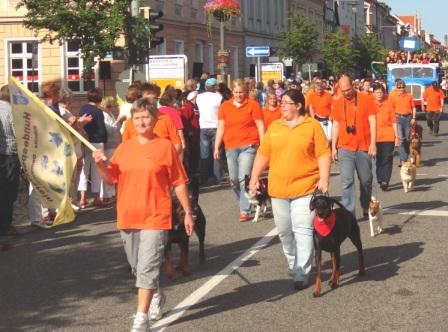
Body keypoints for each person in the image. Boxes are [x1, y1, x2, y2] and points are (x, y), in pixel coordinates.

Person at [92, 98, 194, 332]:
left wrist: (187, 212)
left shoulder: (165, 146)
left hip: (156, 216)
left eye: (145, 117)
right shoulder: (124, 148)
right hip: (128, 215)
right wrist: (100, 165)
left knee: (147, 266)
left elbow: (178, 182)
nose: (141, 121)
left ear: (154, 119)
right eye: (136, 117)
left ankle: (141, 317)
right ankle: (156, 293)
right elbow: (111, 178)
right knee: (137, 267)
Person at [249, 89, 331, 290]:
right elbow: (263, 154)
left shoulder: (312, 126)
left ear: (298, 105)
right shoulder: (275, 126)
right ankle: (293, 262)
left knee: (302, 229)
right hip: (278, 189)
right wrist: (254, 176)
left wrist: (324, 178)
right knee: (285, 232)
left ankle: (302, 271)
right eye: (280, 102)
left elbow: (323, 153)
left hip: (305, 186)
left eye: (286, 102)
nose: (281, 106)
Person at [214, 79, 265, 222]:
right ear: (232, 92)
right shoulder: (225, 106)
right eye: (236, 92)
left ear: (246, 92)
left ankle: (244, 209)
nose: (238, 95)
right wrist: (216, 146)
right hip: (230, 146)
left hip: (249, 145)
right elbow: (221, 127)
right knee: (233, 180)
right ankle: (244, 201)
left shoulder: (253, 105)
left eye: (241, 92)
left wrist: (263, 144)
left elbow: (260, 126)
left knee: (243, 179)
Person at [331, 75, 376, 217]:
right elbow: (336, 125)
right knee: (346, 182)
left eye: (348, 89)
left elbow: (373, 121)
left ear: (354, 85)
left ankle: (365, 205)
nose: (346, 93)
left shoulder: (366, 98)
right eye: (343, 90)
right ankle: (349, 214)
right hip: (345, 147)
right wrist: (333, 147)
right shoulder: (338, 102)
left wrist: (373, 144)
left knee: (366, 180)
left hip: (363, 146)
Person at [78, 88, 107, 208]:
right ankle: (96, 198)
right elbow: (101, 130)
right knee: (96, 172)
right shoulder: (98, 112)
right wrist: (104, 141)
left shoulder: (83, 109)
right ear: (99, 99)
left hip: (85, 142)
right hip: (96, 143)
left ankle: (82, 198)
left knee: (84, 170)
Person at [0, 85, 21, 236]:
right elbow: (17, 133)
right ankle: (5, 225)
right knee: (9, 192)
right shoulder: (11, 111)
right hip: (10, 155)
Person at [196, 78, 223, 185]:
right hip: (216, 126)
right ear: (215, 87)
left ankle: (204, 178)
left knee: (204, 153)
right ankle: (217, 177)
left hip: (203, 126)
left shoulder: (199, 97)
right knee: (217, 152)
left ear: (206, 87)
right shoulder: (218, 97)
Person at [372, 83, 398, 191]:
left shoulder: (389, 104)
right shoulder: (370, 105)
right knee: (378, 159)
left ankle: (385, 180)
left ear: (384, 93)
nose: (379, 94)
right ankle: (380, 177)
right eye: (377, 92)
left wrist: (397, 137)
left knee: (387, 158)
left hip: (388, 136)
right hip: (375, 137)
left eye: (381, 92)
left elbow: (394, 122)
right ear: (373, 94)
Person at [99, 96, 121, 203]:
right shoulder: (103, 115)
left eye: (112, 105)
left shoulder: (109, 114)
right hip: (108, 145)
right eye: (109, 105)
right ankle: (106, 195)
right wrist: (119, 122)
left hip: (114, 144)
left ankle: (111, 194)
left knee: (113, 169)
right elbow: (110, 130)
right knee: (108, 169)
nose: (111, 107)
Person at [389, 79, 416, 165]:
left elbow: (414, 108)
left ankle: (406, 155)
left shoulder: (409, 96)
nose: (401, 89)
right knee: (401, 139)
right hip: (398, 118)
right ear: (396, 87)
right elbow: (391, 109)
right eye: (399, 87)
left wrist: (414, 118)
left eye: (402, 87)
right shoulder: (392, 96)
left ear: (405, 87)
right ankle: (403, 159)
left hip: (408, 118)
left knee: (407, 139)